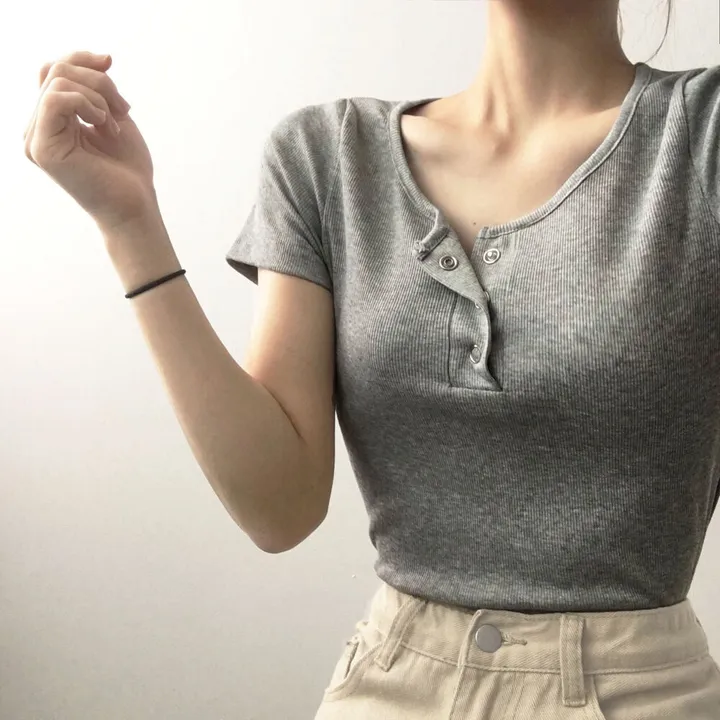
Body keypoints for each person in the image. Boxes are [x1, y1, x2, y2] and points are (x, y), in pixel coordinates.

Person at [23, 0, 720, 716]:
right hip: (388, 688)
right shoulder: (328, 158)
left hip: (641, 695)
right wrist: (129, 223)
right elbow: (278, 508)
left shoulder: (700, 136)